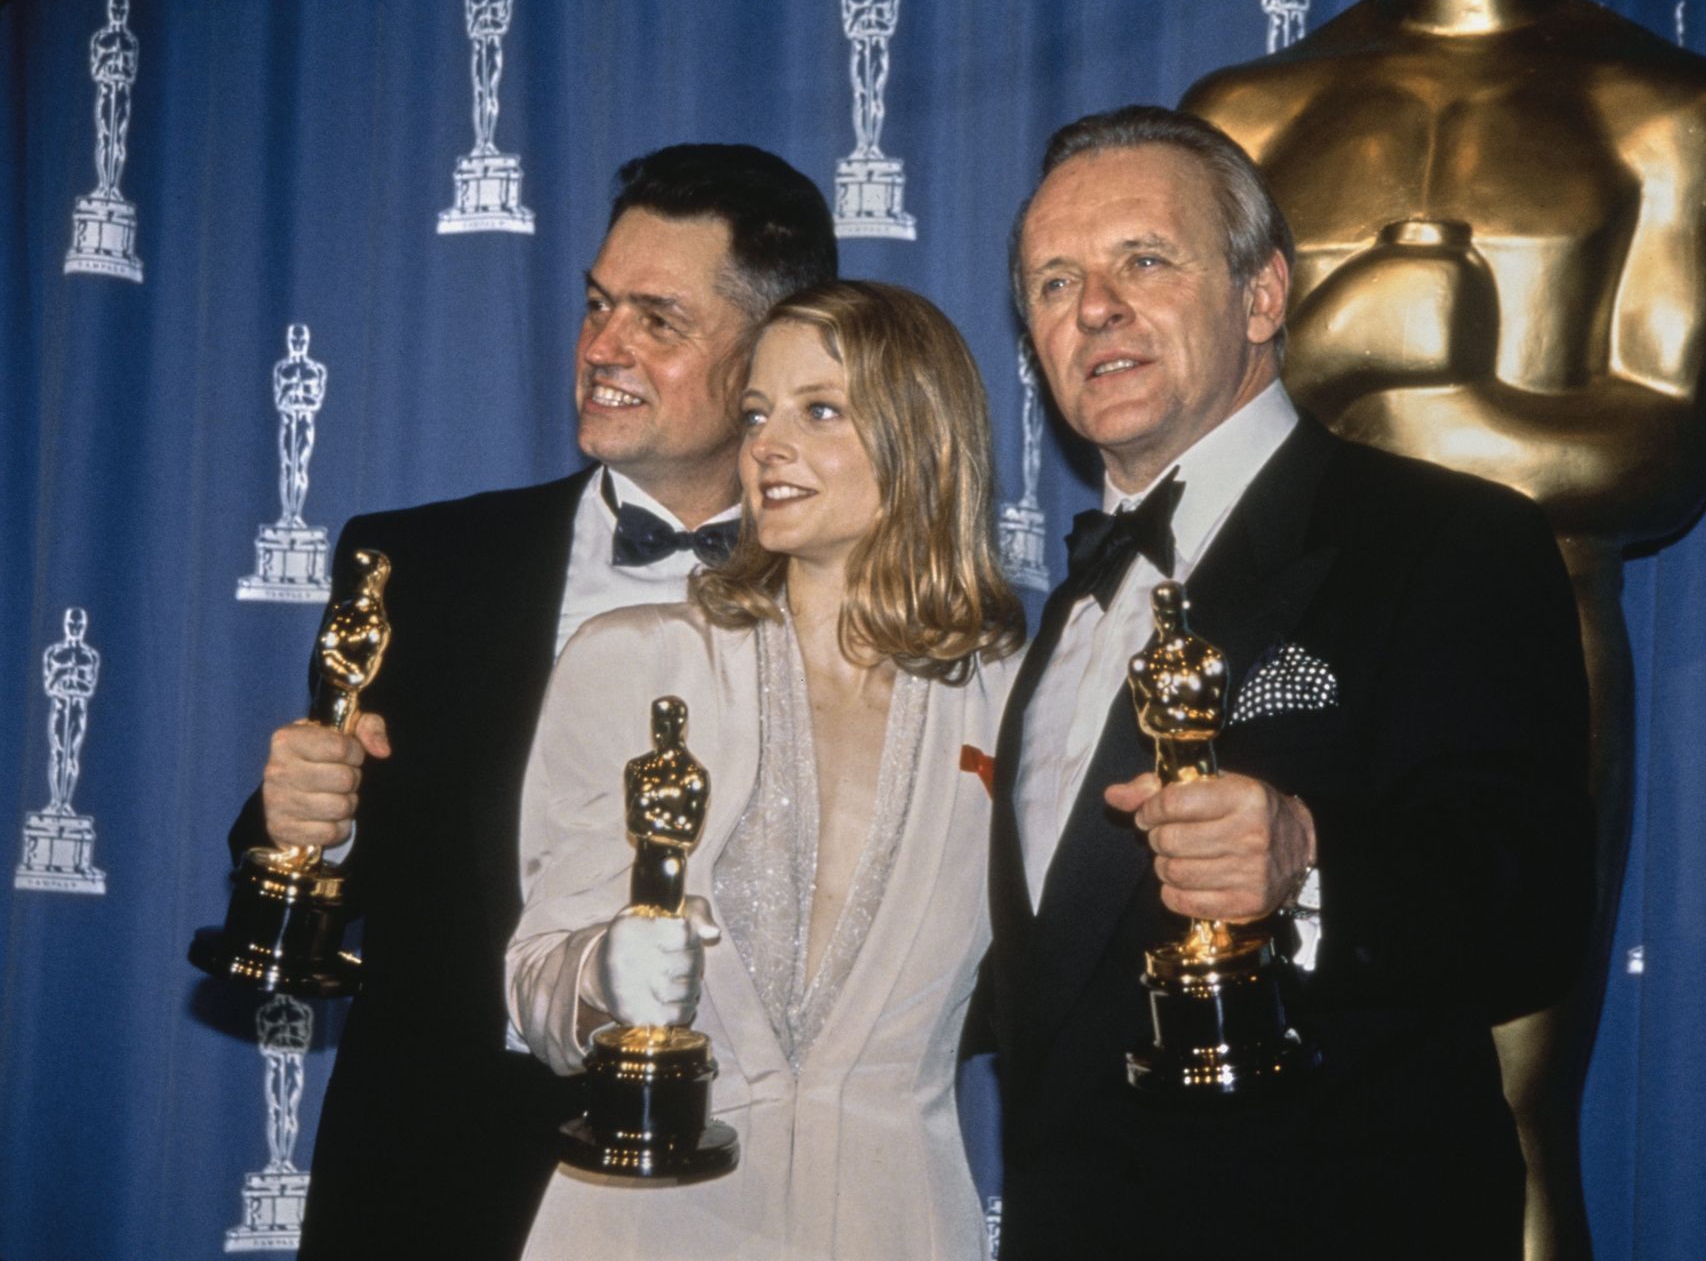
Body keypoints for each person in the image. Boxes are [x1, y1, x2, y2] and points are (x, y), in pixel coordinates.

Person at [1183, 8, 1706, 1249]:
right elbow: (1176, 420)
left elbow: (1660, 451)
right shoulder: (1247, 107)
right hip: (1254, 640)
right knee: (1212, 1092)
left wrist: (1439, 396)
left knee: (1511, 1108)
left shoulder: (1666, 105)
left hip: (1525, 649)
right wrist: (1342, 346)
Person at [974, 105, 1593, 1257]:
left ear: (1263, 296)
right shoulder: (1055, 611)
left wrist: (1307, 853)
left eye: (1142, 261)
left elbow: (1530, 911)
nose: (1093, 306)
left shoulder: (1446, 540)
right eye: (1054, 283)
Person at [222, 144, 836, 1260]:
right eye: (600, 305)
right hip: (436, 1176)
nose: (602, 348)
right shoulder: (420, 563)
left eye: (658, 318)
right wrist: (316, 813)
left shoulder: (856, 602)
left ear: (767, 354)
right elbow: (315, 871)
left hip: (737, 1188)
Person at [509, 280, 1023, 1259]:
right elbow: (539, 995)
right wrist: (603, 970)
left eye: (819, 408)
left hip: (900, 1227)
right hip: (642, 1226)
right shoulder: (635, 659)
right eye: (756, 412)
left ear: (927, 437)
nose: (766, 445)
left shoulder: (1013, 700)